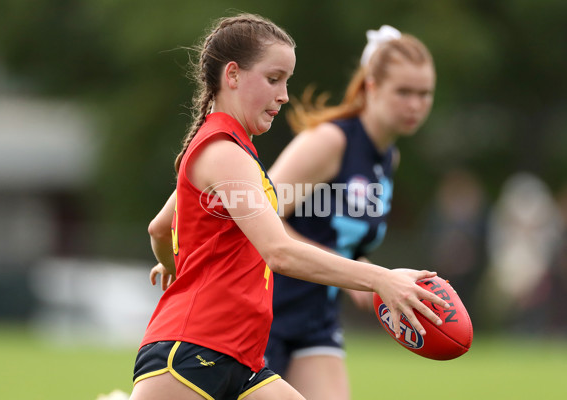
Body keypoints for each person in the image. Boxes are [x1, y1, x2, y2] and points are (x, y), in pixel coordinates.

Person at [132, 14, 448, 400]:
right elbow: (278, 252)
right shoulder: (225, 154)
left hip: (243, 357)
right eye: (273, 79)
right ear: (232, 75)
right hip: (193, 351)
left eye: (287, 82)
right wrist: (382, 279)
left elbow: (161, 229)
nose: (284, 95)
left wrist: (172, 262)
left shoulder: (235, 153)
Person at [263, 25, 437, 399]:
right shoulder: (330, 141)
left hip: (316, 318)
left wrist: (359, 267)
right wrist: (357, 274)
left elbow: (341, 235)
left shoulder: (389, 156)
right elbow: (257, 221)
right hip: (263, 310)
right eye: (403, 92)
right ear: (371, 86)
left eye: (424, 94)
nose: (415, 105)